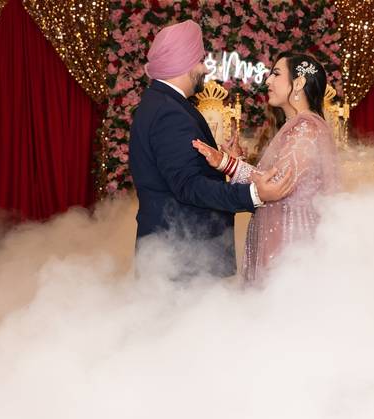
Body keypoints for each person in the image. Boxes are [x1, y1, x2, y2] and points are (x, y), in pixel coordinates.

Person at [128, 20, 294, 278]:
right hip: (182, 258)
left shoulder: (162, 103)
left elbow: (181, 174)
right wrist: (252, 194)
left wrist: (226, 162)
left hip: (175, 254)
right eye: (200, 59)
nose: (205, 68)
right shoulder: (169, 112)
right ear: (182, 62)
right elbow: (188, 186)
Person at [193, 53, 340, 283]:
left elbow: (277, 182)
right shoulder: (295, 126)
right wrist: (234, 164)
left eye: (276, 74)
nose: (268, 81)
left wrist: (226, 163)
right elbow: (268, 182)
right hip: (279, 230)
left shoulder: (307, 127)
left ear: (299, 83)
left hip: (293, 239)